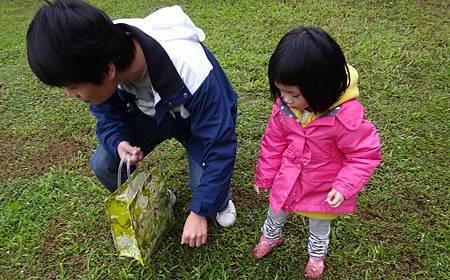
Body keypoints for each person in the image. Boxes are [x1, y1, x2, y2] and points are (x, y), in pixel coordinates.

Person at [26, 0, 237, 248]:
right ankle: (157, 200)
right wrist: (119, 141)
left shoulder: (193, 72)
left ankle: (220, 200)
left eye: (73, 86)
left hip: (194, 115)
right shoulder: (101, 48)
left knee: (207, 191)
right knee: (105, 163)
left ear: (109, 70)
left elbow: (220, 145)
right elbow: (106, 111)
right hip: (152, 112)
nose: (70, 94)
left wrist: (200, 211)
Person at [252, 27, 382, 278]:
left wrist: (344, 186)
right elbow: (273, 141)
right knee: (276, 209)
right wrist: (265, 175)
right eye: (281, 91)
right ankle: (271, 235)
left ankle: (316, 254)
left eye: (294, 94)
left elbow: (364, 154)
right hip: (288, 176)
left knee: (319, 225)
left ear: (320, 86)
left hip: (323, 185)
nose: (285, 99)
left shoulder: (344, 117)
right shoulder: (284, 108)